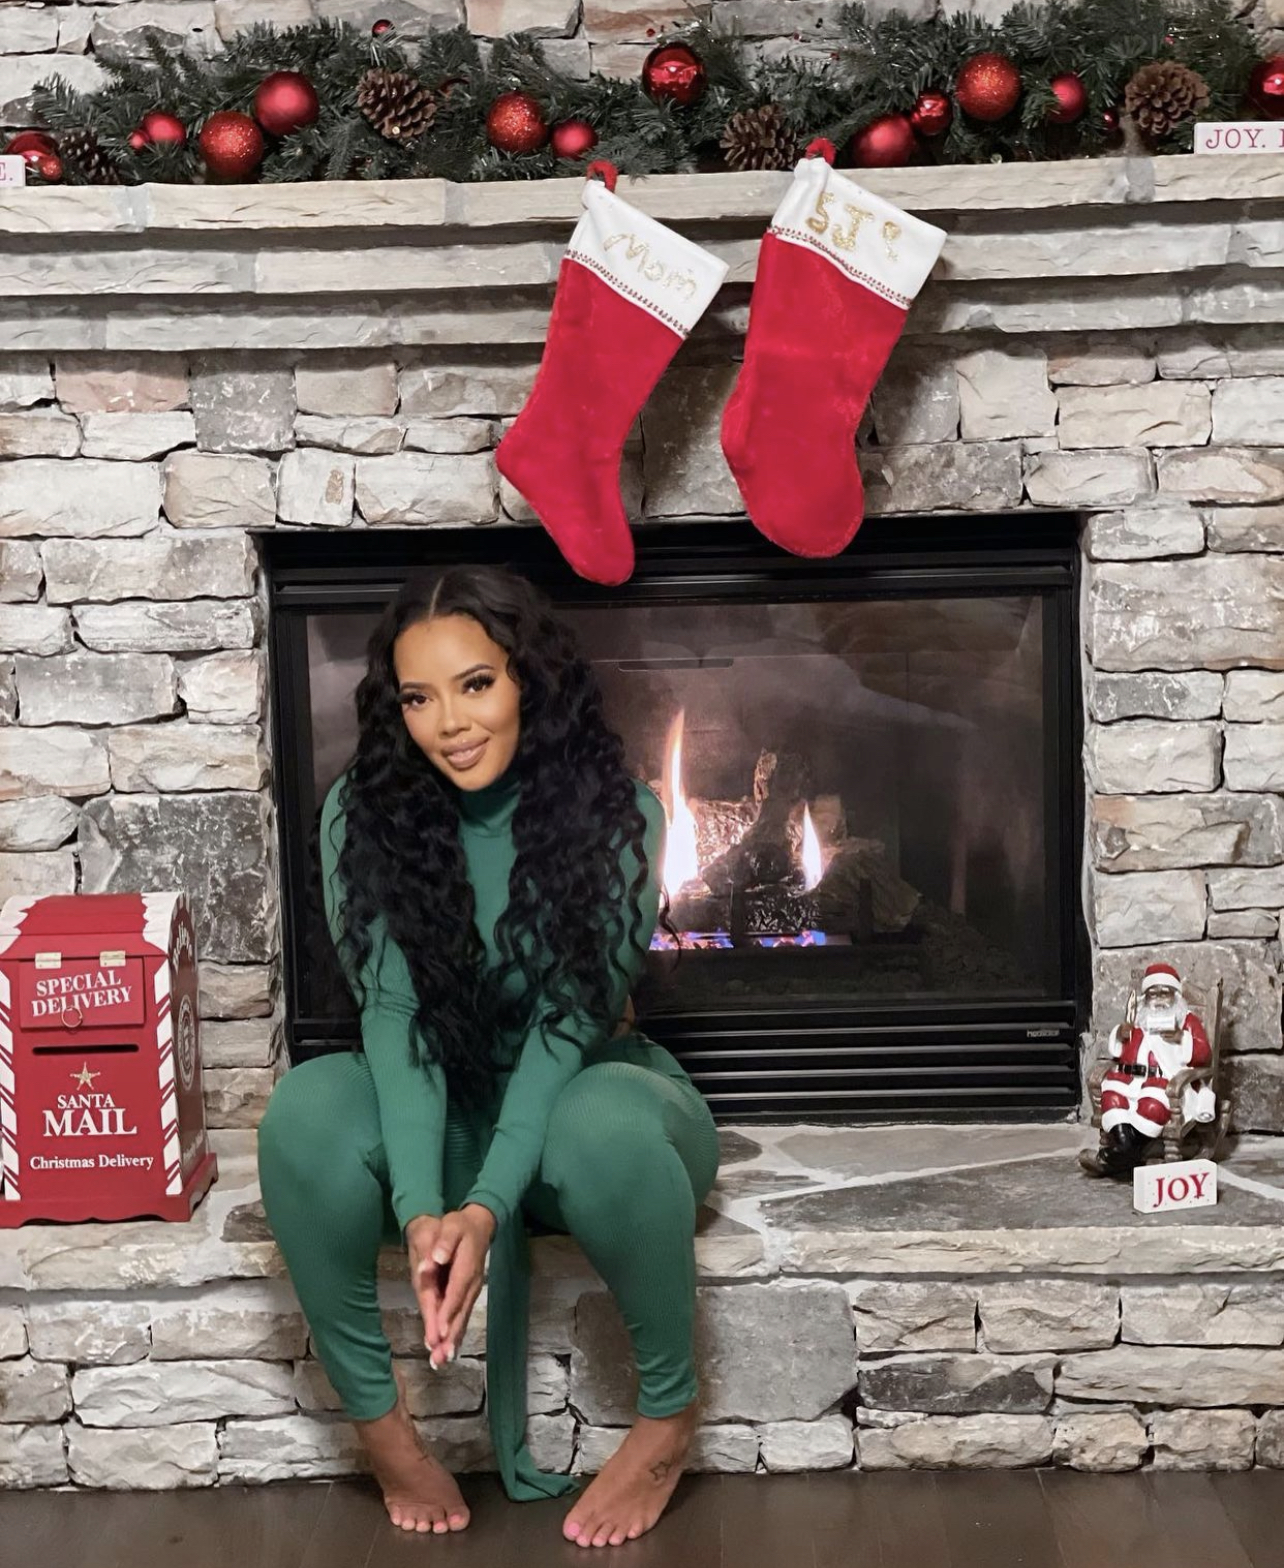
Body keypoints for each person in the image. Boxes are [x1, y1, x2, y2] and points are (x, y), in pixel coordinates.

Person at [256, 565, 720, 1546]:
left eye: (476, 684)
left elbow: (564, 1030)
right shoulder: (363, 813)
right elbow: (397, 1021)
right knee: (304, 1109)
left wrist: (485, 1207)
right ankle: (384, 1431)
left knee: (599, 1122)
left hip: (591, 1103)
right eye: (418, 697)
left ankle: (669, 1417)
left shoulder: (622, 815)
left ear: (528, 679)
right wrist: (424, 1208)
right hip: (452, 1106)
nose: (450, 724)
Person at [1079, 961, 1211, 1178]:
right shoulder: (1138, 1019)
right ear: (1146, 996)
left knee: (1152, 1105)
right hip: (1129, 1079)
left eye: (1164, 993)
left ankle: (1118, 1156)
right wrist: (1120, 1035)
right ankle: (1127, 1151)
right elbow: (1120, 1052)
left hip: (1164, 1082)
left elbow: (1203, 1053)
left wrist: (1181, 1038)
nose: (1158, 998)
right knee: (1112, 1099)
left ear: (1175, 995)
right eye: (1153, 993)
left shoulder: (1186, 1020)